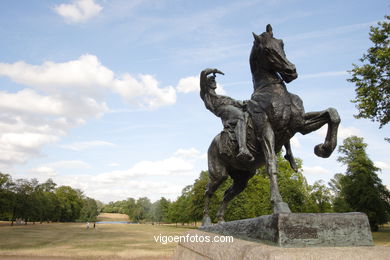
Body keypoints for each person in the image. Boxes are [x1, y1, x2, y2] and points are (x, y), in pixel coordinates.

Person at [200, 68, 254, 161]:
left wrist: (250, 103)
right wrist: (214, 70)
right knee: (240, 117)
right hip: (223, 111)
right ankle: (243, 149)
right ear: (207, 83)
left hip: (229, 109)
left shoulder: (223, 97)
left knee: (247, 114)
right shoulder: (206, 94)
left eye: (214, 80)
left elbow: (237, 103)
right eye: (212, 80)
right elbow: (203, 74)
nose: (214, 82)